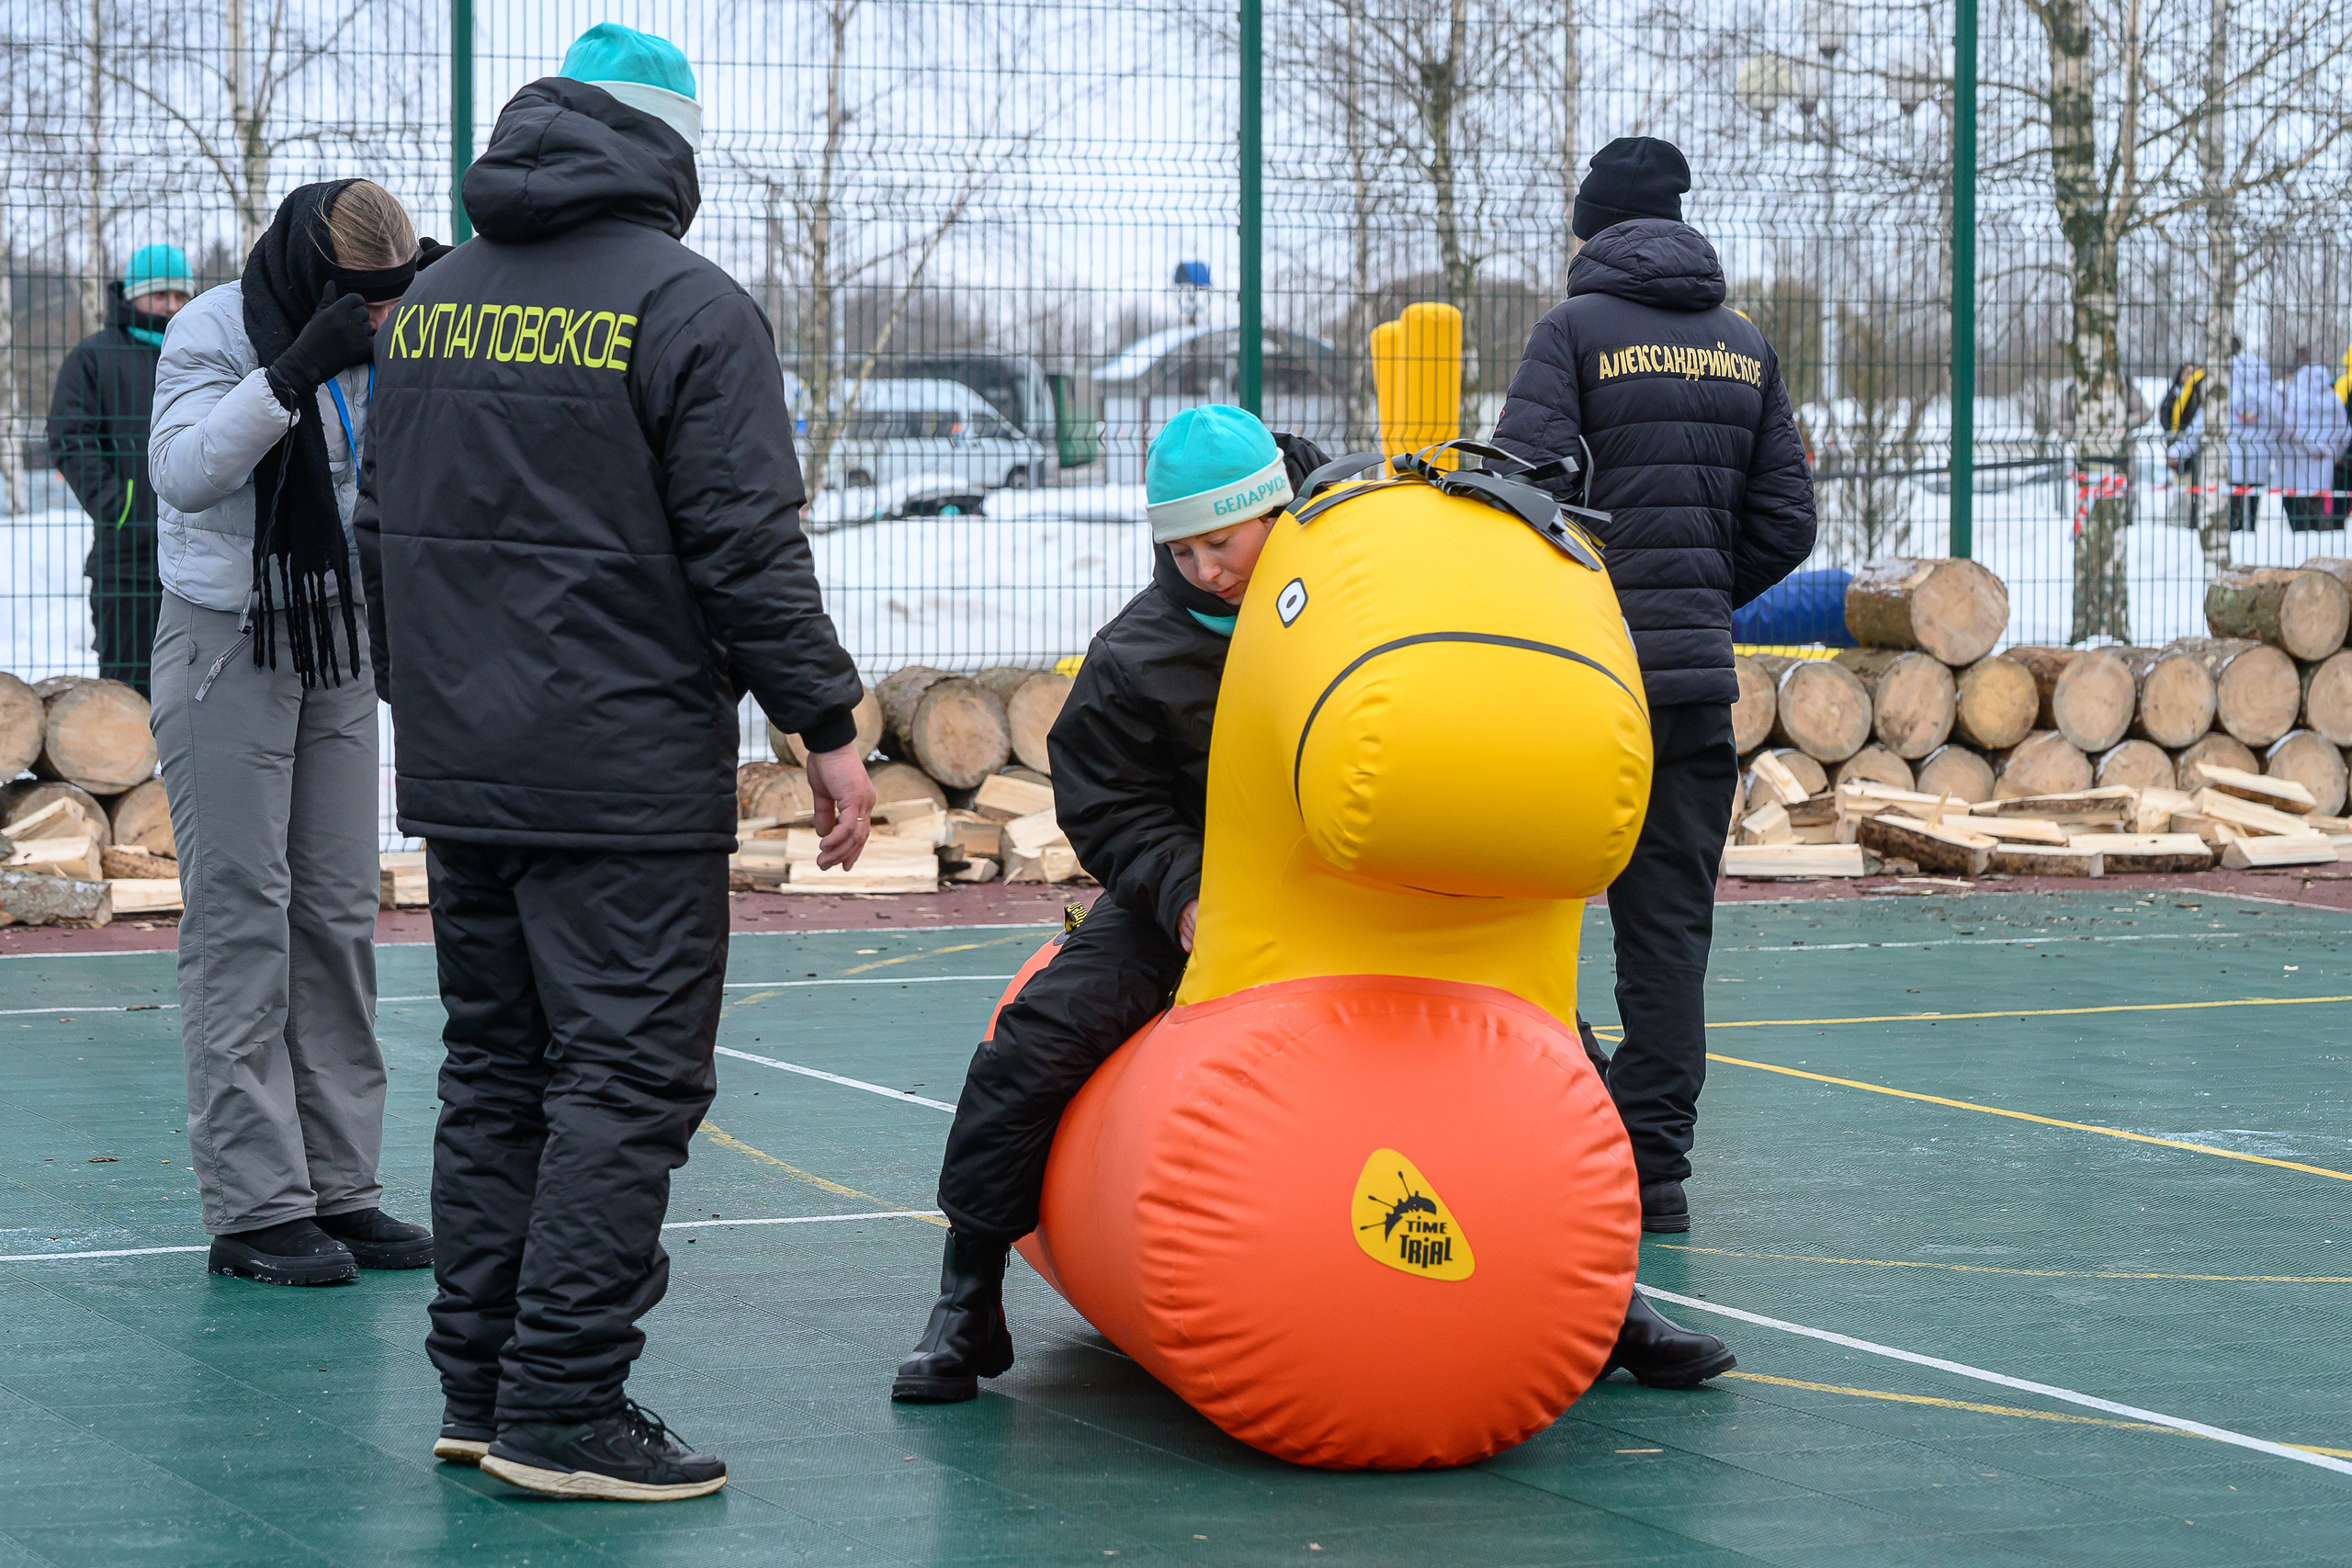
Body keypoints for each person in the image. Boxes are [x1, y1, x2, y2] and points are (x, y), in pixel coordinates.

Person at [889, 406, 1738, 1406]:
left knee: (1560, 1053)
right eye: (1185, 548)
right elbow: (1107, 802)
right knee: (1038, 1041)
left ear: (1272, 510)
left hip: (1373, 885)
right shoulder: (1139, 653)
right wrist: (1185, 895)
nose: (1208, 568)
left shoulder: (1352, 573)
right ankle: (967, 1294)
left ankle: (1607, 1301)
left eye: (1224, 540)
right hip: (1221, 896)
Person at [357, 24, 872, 1505]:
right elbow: (746, 547)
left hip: (467, 768)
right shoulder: (690, 308)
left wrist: (439, 703)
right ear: (669, 144)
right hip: (623, 767)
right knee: (626, 1074)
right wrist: (825, 724)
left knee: (498, 1070)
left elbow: (382, 533)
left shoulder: (434, 300)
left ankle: (482, 1383)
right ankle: (564, 1401)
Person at [1493, 137, 1815, 1238]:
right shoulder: (1743, 346)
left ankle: (1521, 1126)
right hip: (1689, 689)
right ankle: (1655, 1174)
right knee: (1668, 935)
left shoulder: (1569, 333)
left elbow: (1516, 495)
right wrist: (1694, 597)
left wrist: (1594, 599)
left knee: (1505, 906)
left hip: (1576, 688)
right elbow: (1787, 525)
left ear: (1590, 229)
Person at [146, 183, 435, 1288]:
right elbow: (182, 472)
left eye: (389, 301)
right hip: (227, 642)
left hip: (338, 639)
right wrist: (288, 375)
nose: (376, 321)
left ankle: (340, 1189)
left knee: (332, 907)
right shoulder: (213, 329)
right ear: (315, 283)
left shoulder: (384, 326)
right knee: (240, 914)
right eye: (358, 302)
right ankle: (257, 1208)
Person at [48, 244, 192, 694]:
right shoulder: (93, 357)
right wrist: (124, 506)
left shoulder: (201, 355)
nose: (171, 306)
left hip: (200, 557)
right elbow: (71, 439)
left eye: (180, 295)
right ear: (132, 296)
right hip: (127, 562)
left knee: (197, 688)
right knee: (127, 694)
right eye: (159, 295)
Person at [2277, 352, 2349, 531]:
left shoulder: (2294, 397)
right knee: (2320, 509)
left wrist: (2313, 446)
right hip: (2325, 465)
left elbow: (2289, 427)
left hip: (2296, 466)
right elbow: (2346, 432)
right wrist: (2331, 451)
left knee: (2300, 515)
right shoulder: (2334, 400)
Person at [2159, 361, 2204, 530]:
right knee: (2179, 492)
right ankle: (2176, 526)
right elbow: (2165, 416)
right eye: (2187, 372)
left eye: (2193, 372)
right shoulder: (2174, 394)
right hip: (2177, 450)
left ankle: (2190, 525)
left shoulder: (2197, 393)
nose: (2189, 376)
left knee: (2193, 493)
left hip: (2191, 452)